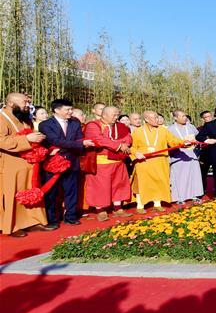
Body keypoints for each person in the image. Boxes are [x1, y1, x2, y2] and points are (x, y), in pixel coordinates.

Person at [0, 92, 52, 237]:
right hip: (10, 163)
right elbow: (1, 140)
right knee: (12, 195)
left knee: (31, 191)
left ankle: (33, 221)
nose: (28, 105)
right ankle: (12, 225)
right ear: (11, 103)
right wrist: (27, 139)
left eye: (28, 102)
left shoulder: (23, 118)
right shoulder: (1, 118)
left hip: (29, 163)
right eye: (24, 102)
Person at [38, 98, 95, 227]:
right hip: (52, 163)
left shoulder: (75, 124)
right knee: (51, 192)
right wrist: (76, 144)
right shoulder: (45, 125)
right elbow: (55, 140)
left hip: (72, 161)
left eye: (71, 109)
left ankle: (70, 216)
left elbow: (80, 140)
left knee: (71, 190)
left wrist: (74, 145)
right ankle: (52, 220)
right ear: (56, 110)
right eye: (67, 109)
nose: (71, 112)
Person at [83, 106, 133, 221]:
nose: (116, 117)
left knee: (119, 185)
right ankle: (101, 210)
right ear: (104, 115)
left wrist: (123, 144)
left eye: (117, 115)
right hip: (102, 162)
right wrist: (119, 145)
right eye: (114, 115)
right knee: (100, 187)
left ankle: (118, 208)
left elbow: (128, 138)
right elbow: (99, 140)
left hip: (119, 161)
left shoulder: (120, 126)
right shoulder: (93, 125)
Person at [131, 110, 186, 213]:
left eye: (158, 117)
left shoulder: (163, 130)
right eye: (154, 118)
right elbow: (132, 147)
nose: (158, 119)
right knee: (142, 183)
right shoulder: (138, 131)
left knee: (159, 181)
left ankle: (157, 204)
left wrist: (183, 143)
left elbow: (173, 140)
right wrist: (136, 153)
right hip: (143, 162)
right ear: (146, 119)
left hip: (160, 161)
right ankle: (140, 205)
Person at [168, 110, 204, 204]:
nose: (185, 118)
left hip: (192, 153)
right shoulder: (170, 129)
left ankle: (194, 195)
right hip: (178, 155)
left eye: (185, 116)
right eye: (182, 116)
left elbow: (198, 137)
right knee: (179, 176)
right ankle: (179, 197)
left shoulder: (191, 127)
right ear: (175, 118)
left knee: (194, 175)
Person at [196, 110, 214, 195]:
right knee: (203, 173)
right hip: (204, 153)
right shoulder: (199, 129)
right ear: (202, 119)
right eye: (206, 117)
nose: (209, 118)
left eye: (210, 116)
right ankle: (202, 190)